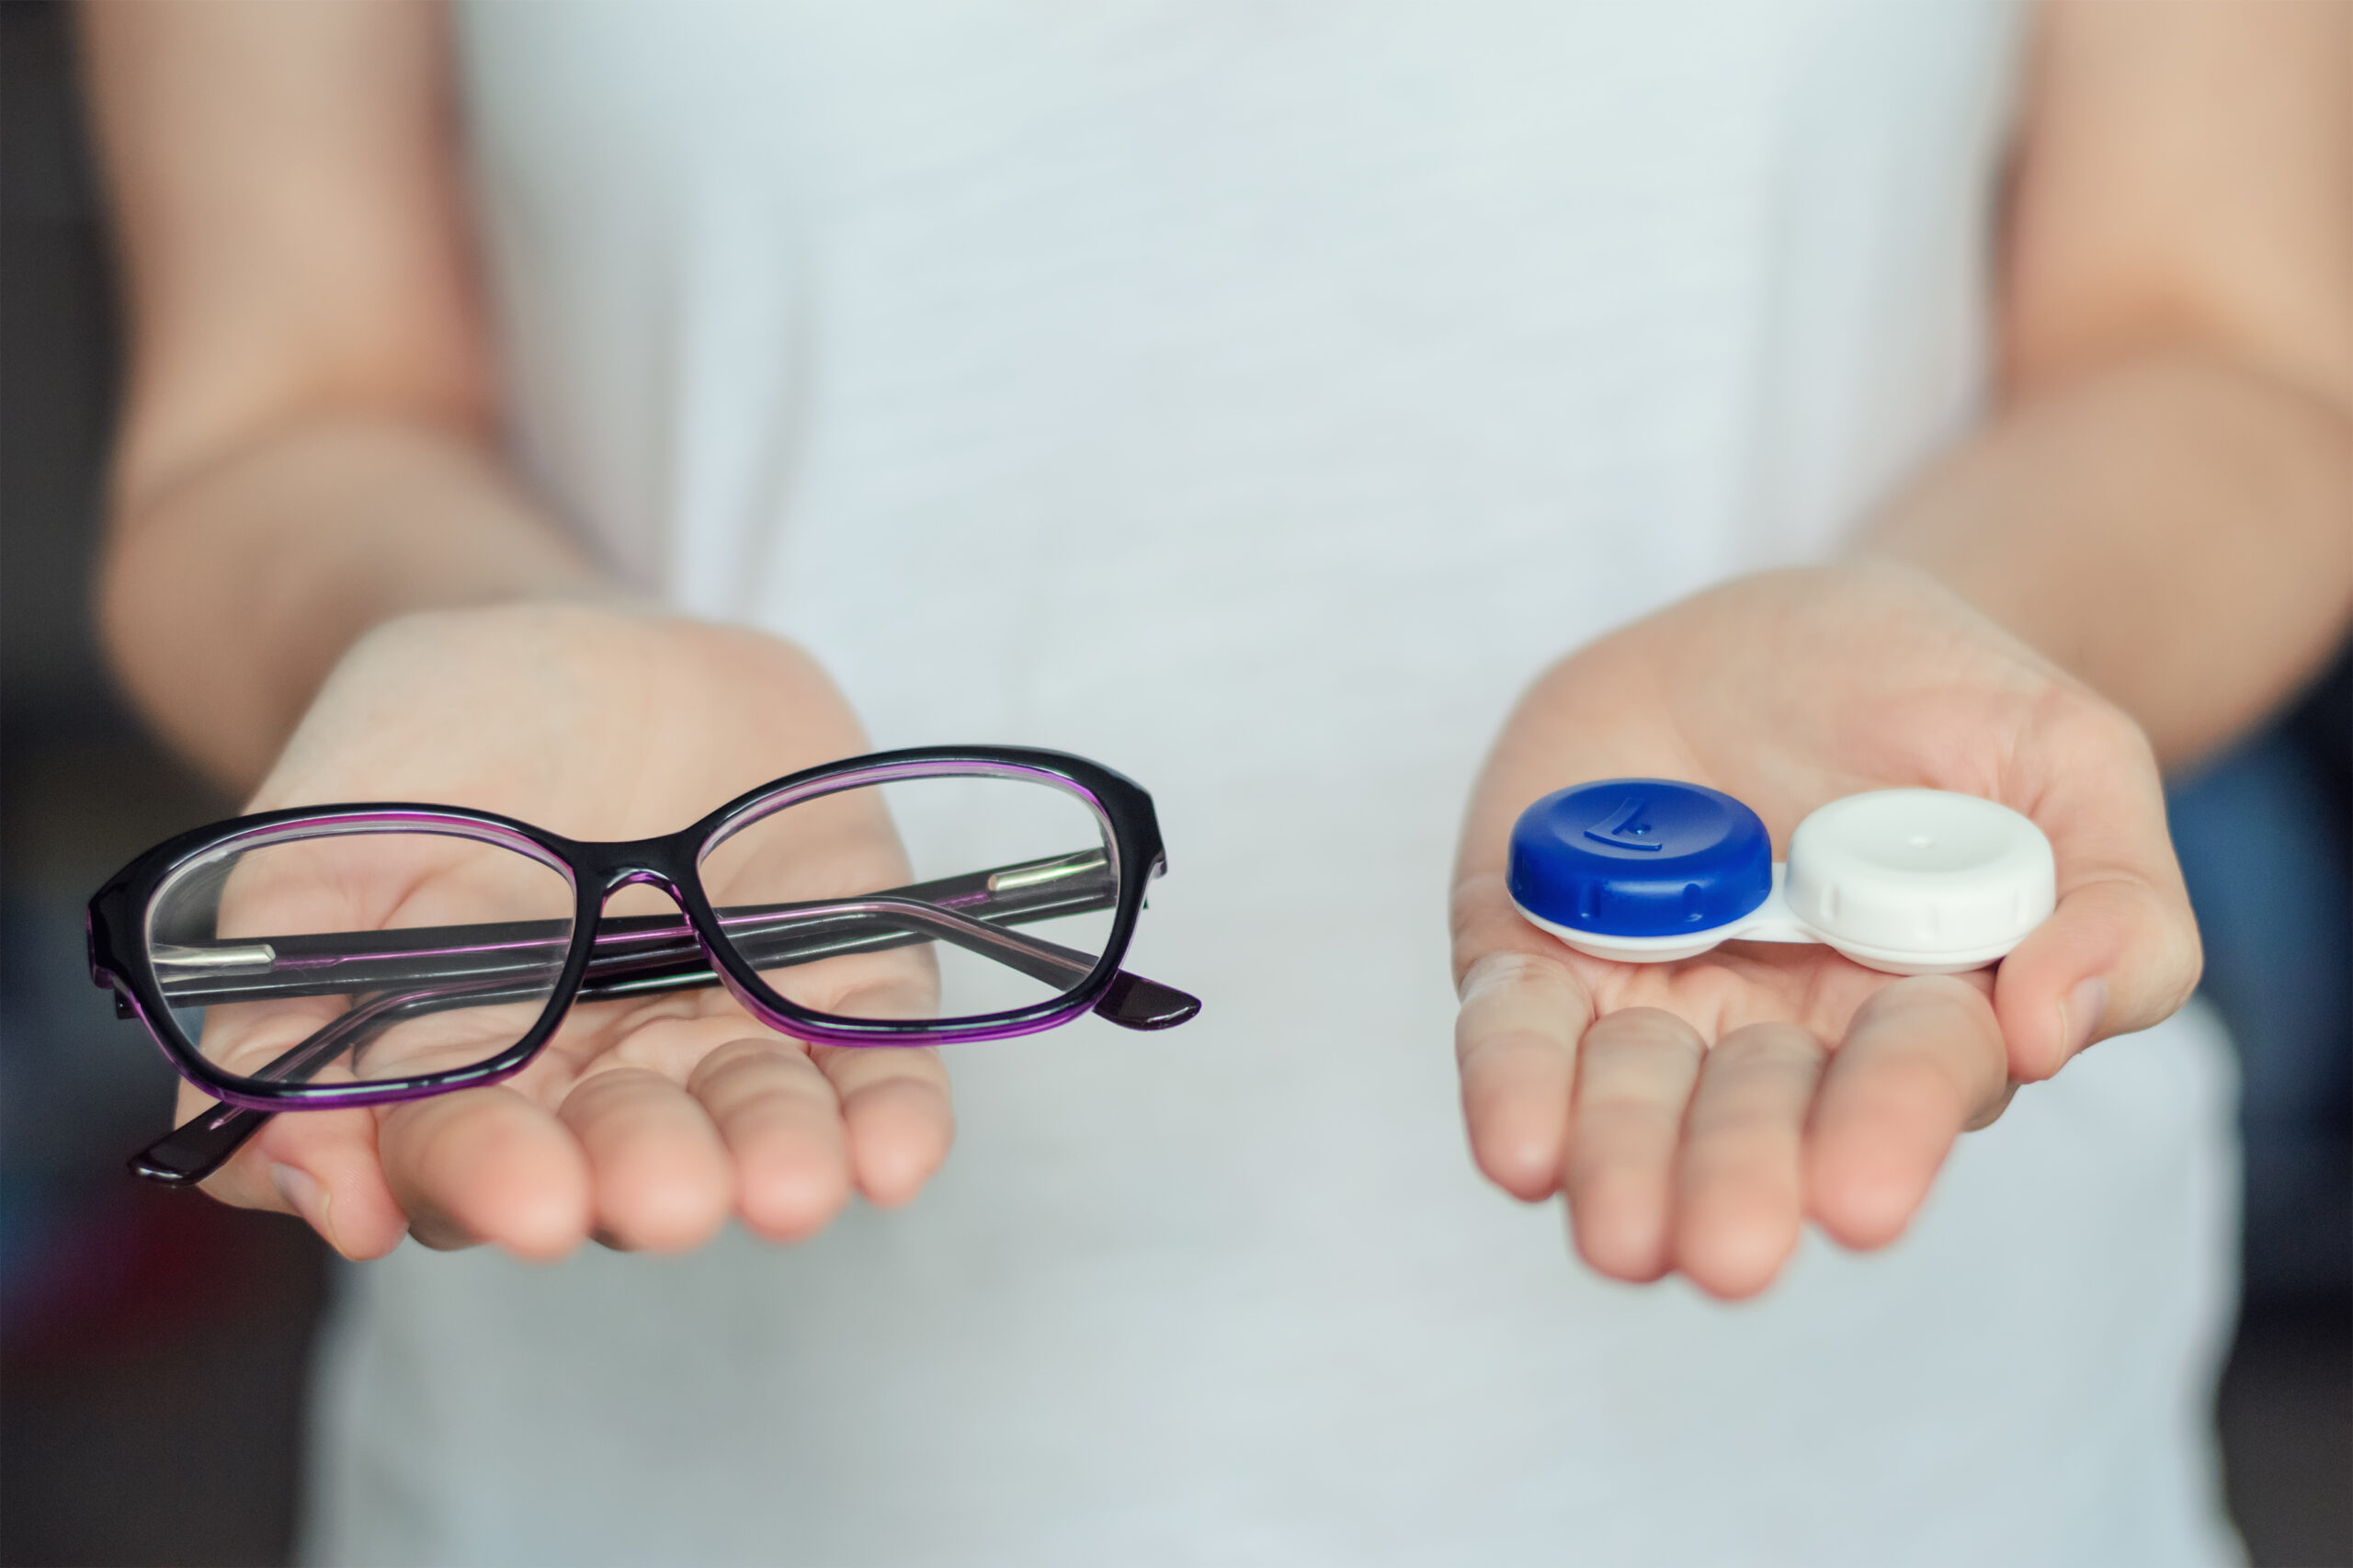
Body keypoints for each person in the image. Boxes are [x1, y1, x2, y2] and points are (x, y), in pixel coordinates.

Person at [82, 1, 2353, 1562]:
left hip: (1893, 1464)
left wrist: (1957, 641)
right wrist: (455, 629)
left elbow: (2223, 359)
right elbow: (272, 417)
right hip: (663, 1456)